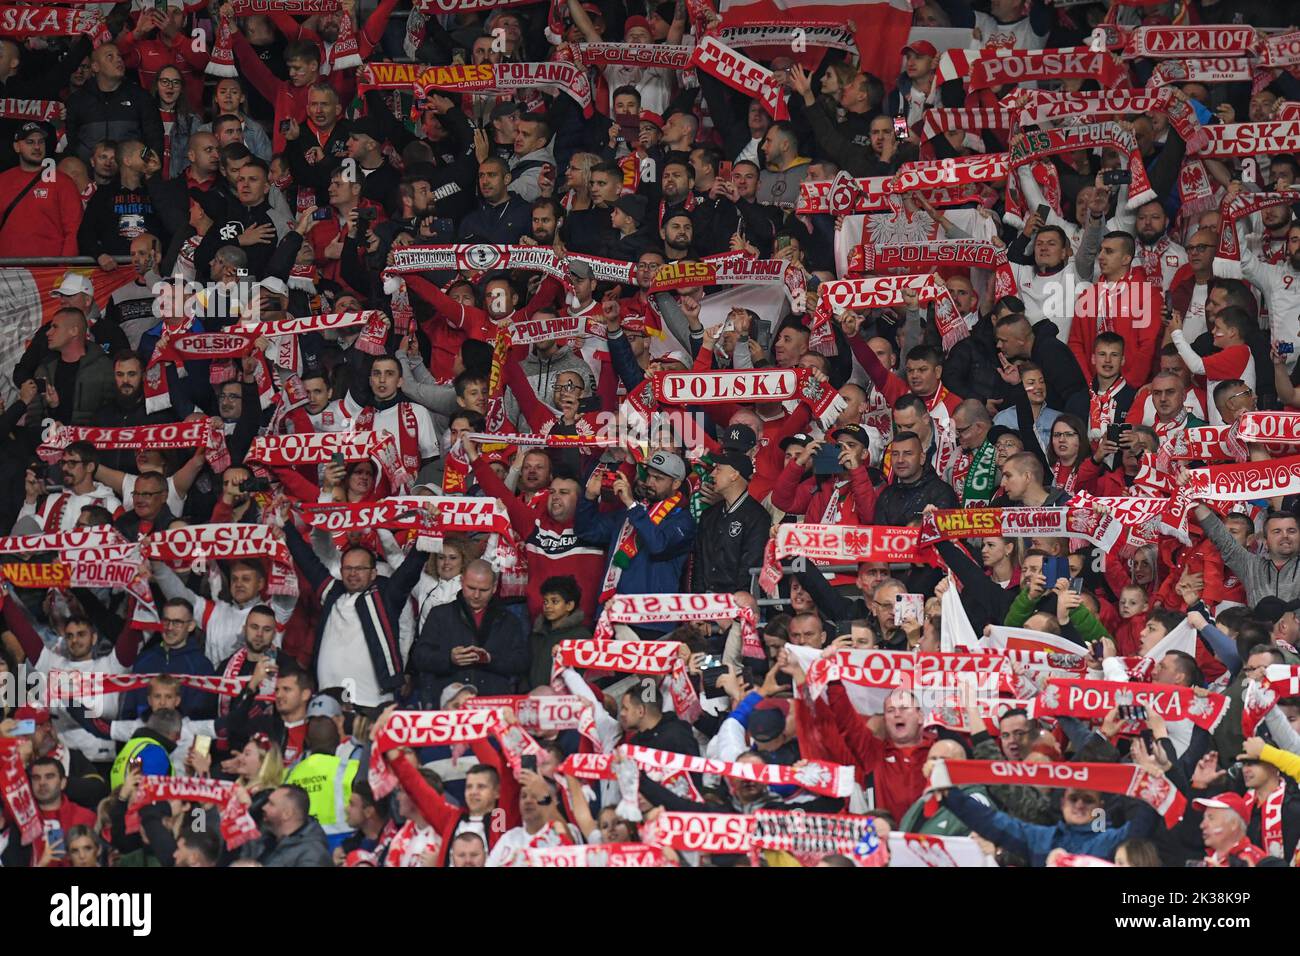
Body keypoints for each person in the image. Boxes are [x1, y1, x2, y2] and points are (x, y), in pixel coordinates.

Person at [411, 558, 530, 706]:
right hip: (449, 706)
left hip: (492, 705)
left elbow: (521, 662)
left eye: (483, 590)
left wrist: (490, 659)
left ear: (494, 588)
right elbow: (420, 657)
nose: (476, 595)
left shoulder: (509, 620)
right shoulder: (439, 615)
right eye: (471, 588)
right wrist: (449, 658)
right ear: (461, 581)